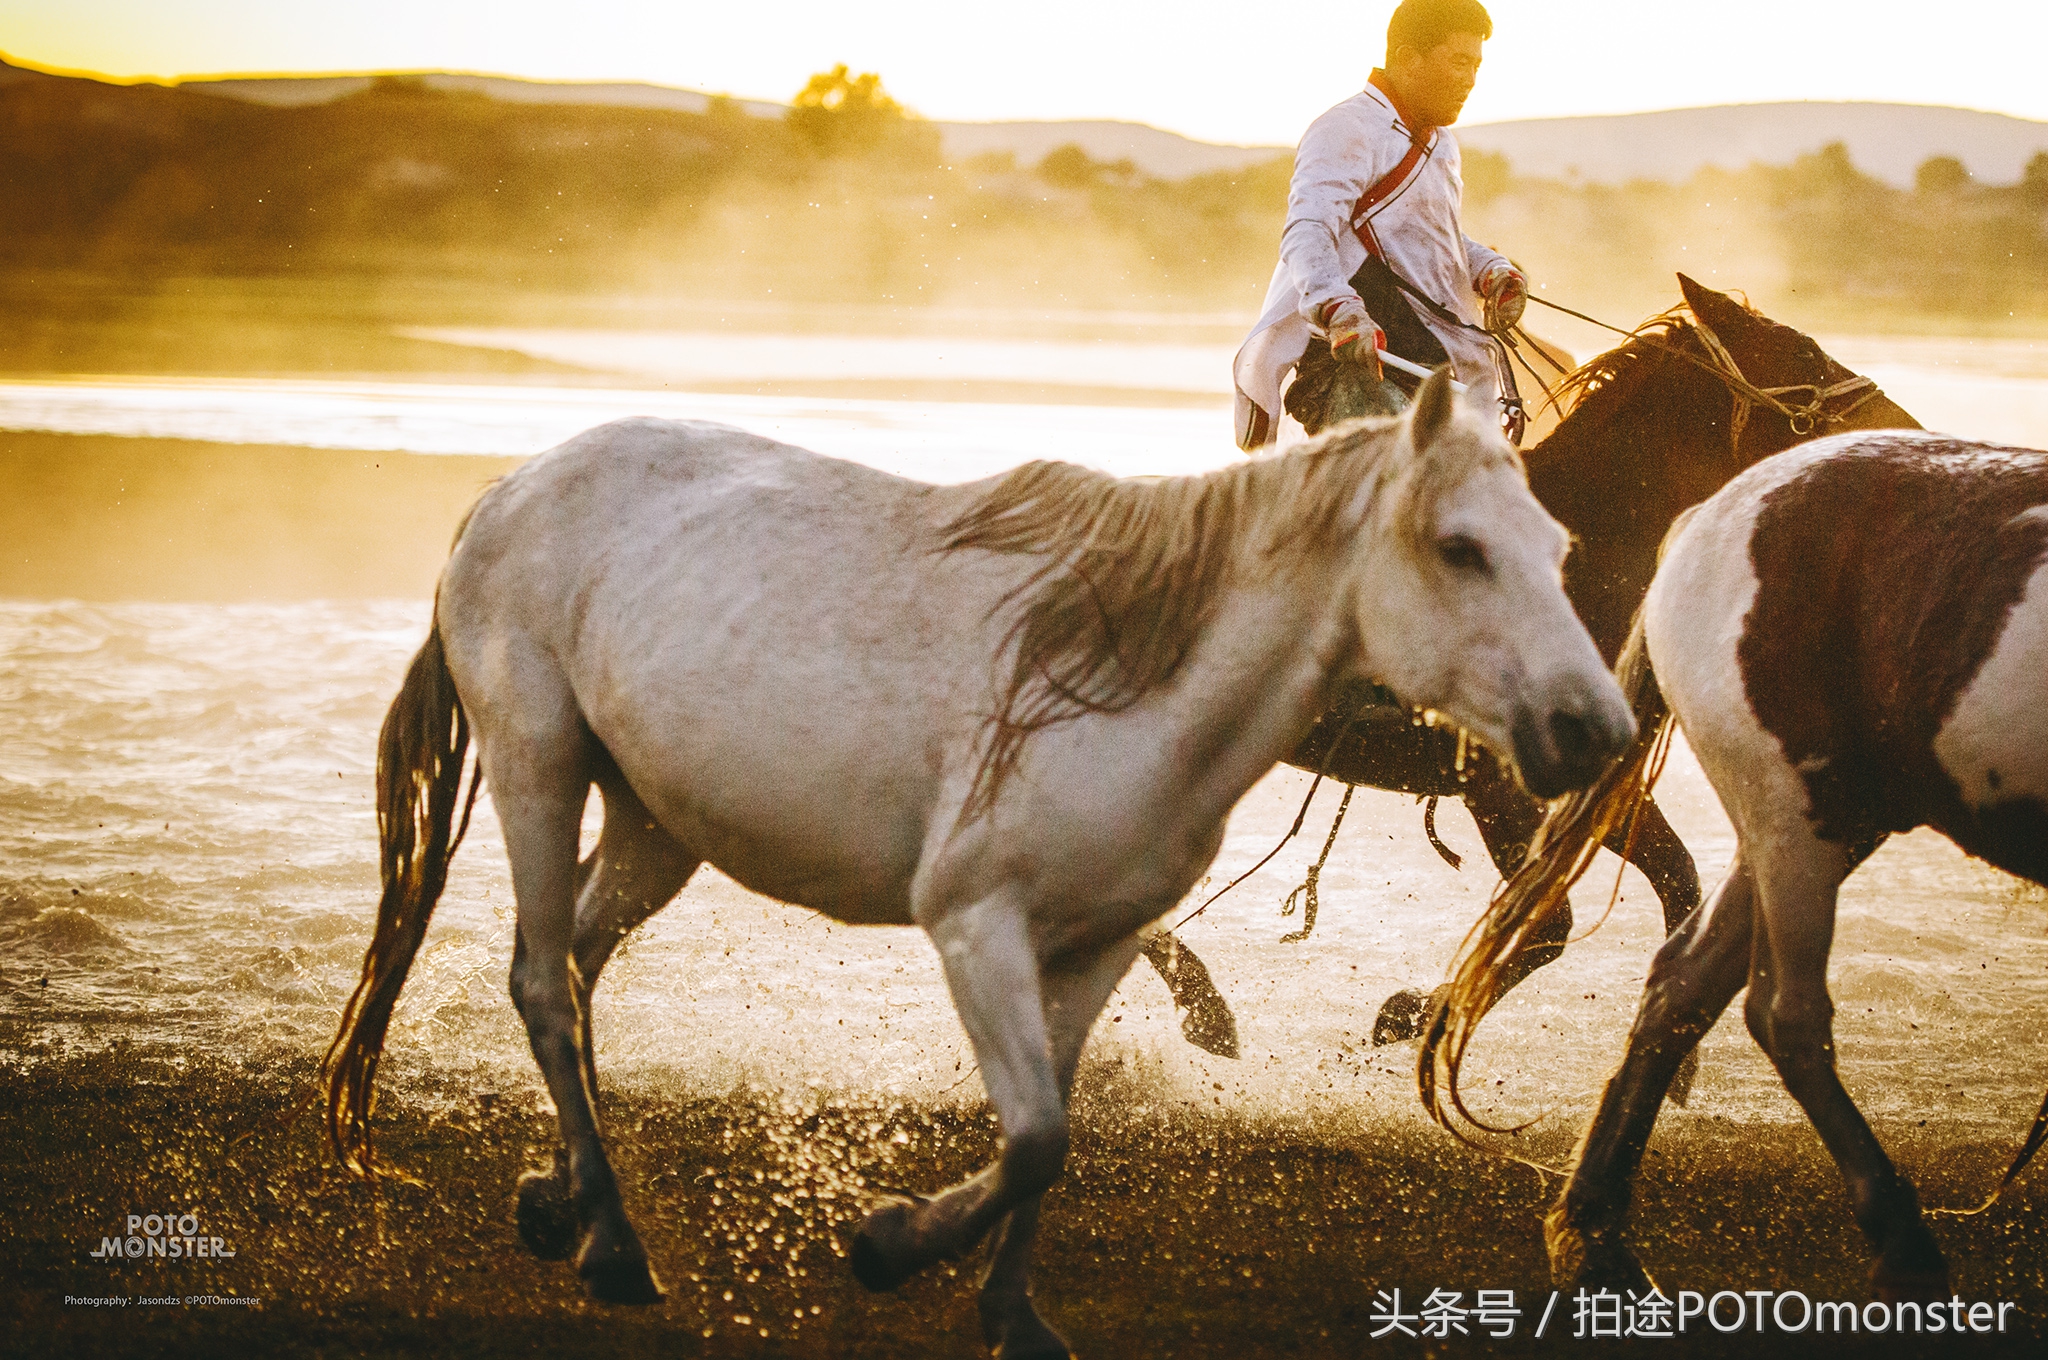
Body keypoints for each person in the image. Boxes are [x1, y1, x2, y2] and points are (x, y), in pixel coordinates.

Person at [1233, 0, 1529, 450]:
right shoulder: (1345, 127)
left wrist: (1491, 270)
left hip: (1429, 369)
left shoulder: (1442, 144)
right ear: (1409, 58)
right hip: (1349, 366)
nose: (1471, 80)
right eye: (1459, 62)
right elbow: (1308, 229)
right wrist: (1339, 310)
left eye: (1476, 66)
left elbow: (1436, 240)